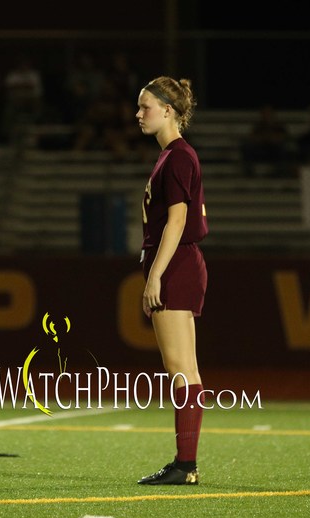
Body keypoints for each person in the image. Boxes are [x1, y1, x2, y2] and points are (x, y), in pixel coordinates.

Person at [135, 76, 208, 485]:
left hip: (176, 264)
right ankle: (186, 463)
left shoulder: (178, 156)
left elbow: (178, 221)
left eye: (146, 106)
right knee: (185, 370)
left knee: (180, 369)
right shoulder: (172, 155)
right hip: (180, 263)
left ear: (168, 110)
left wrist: (155, 276)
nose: (139, 114)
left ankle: (185, 465)